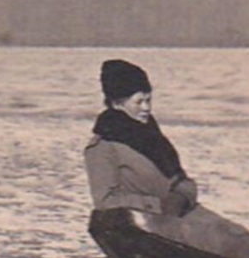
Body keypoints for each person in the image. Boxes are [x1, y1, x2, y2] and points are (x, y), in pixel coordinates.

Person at [84, 59, 199, 217]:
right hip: (151, 222)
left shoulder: (152, 136)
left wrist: (181, 197)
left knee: (238, 236)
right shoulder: (103, 147)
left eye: (148, 100)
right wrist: (158, 205)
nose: (147, 108)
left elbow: (181, 179)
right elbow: (105, 201)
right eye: (139, 102)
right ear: (117, 103)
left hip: (184, 214)